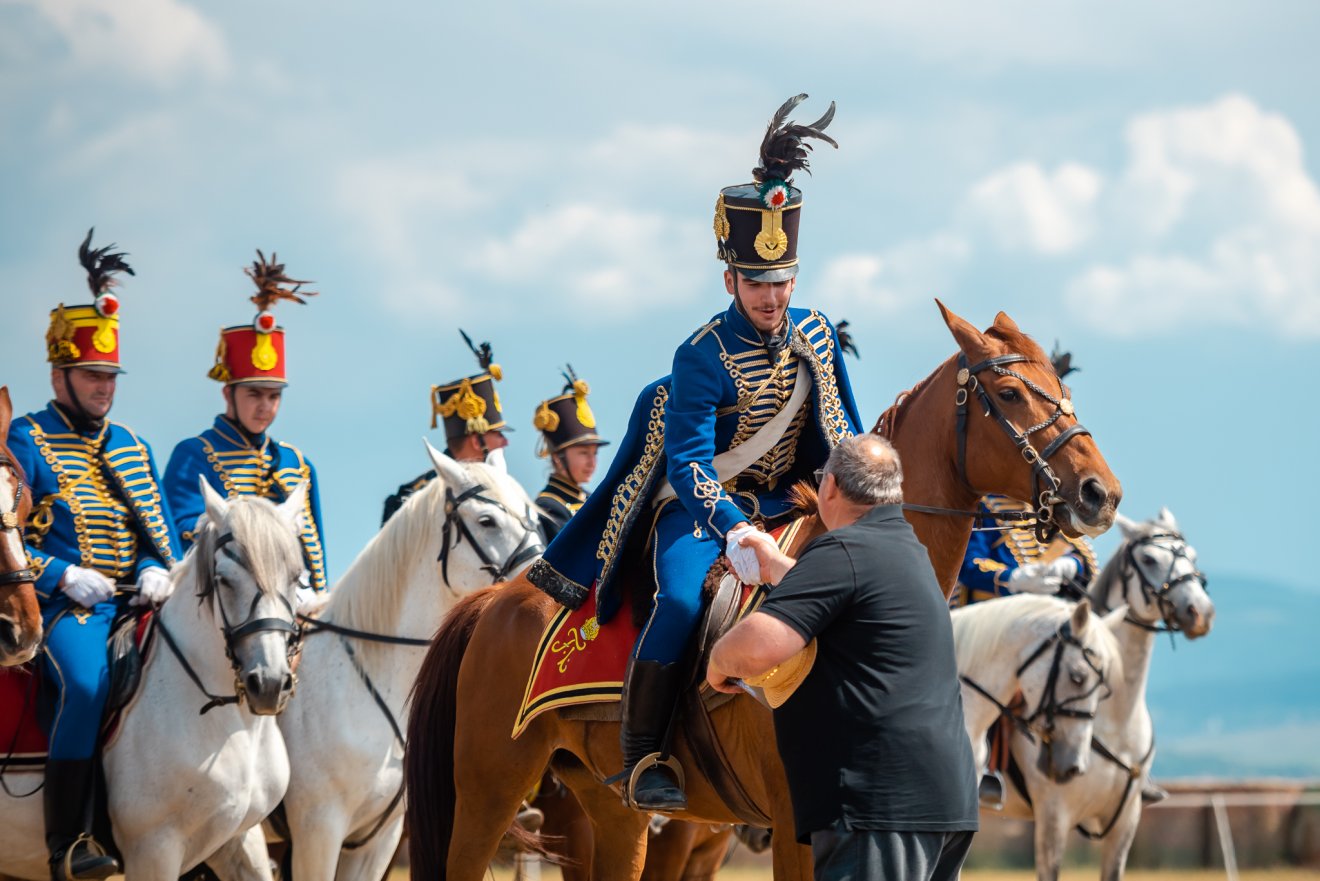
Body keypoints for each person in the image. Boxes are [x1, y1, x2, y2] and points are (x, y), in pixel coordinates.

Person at [527, 94, 862, 811]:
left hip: (789, 506)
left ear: (794, 279)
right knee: (680, 599)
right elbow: (687, 463)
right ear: (729, 280)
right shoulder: (701, 354)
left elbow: (841, 437)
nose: (770, 297)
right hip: (700, 512)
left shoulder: (818, 338)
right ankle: (644, 751)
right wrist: (733, 529)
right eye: (755, 282)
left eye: (780, 282)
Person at [707, 435, 978, 881]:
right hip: (939, 803)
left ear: (829, 487)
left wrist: (719, 661)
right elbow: (853, 599)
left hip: (876, 805)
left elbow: (756, 647)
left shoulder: (842, 550)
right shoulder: (906, 552)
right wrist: (777, 565)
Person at [7, 230, 180, 881]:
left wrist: (155, 567)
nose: (104, 387)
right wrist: (61, 574)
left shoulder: (135, 442)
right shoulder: (25, 437)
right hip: (60, 607)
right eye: (91, 375)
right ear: (58, 374)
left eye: (110, 375)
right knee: (86, 683)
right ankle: (70, 839)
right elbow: (6, 538)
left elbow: (157, 532)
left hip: (134, 602)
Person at [164, 251, 327, 600]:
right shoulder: (194, 454)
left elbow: (317, 551)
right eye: (254, 394)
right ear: (228, 393)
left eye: (274, 396)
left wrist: (317, 591)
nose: (265, 407)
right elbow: (182, 534)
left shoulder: (296, 463)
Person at [950, 346, 1097, 608]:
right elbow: (969, 565)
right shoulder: (983, 505)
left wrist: (1070, 564)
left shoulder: (1047, 505)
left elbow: (1081, 553)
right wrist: (1014, 579)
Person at [380, 330, 511, 524]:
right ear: (476, 440)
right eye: (497, 434)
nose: (505, 442)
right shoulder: (412, 500)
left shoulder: (500, 488)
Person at [532, 365, 610, 541]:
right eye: (583, 453)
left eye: (594, 453)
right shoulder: (547, 506)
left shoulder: (591, 499)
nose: (592, 462)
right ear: (557, 459)